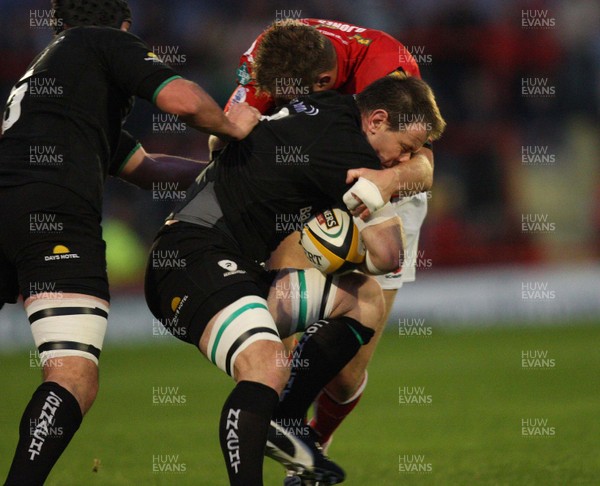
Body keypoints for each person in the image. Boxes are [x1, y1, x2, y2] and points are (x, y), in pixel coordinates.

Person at [0, 1, 259, 484]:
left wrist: (229, 177)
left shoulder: (54, 91)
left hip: (9, 206)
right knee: (72, 375)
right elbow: (182, 100)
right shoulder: (103, 40)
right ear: (123, 26)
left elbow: (149, 170)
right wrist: (231, 127)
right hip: (53, 214)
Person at [145, 74, 445, 485]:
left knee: (364, 300)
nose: (400, 161)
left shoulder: (328, 108)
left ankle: (285, 419)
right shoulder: (349, 152)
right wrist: (359, 229)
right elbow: (388, 254)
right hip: (188, 261)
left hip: (235, 267)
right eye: (405, 148)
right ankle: (276, 426)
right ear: (376, 121)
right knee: (266, 365)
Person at [210, 18, 437, 453]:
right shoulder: (271, 57)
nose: (295, 109)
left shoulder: (387, 67)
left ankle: (319, 437)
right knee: (281, 327)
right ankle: (279, 429)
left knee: (346, 373)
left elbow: (422, 164)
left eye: (298, 99)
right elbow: (223, 137)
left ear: (324, 82)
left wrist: (381, 185)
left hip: (382, 182)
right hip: (308, 184)